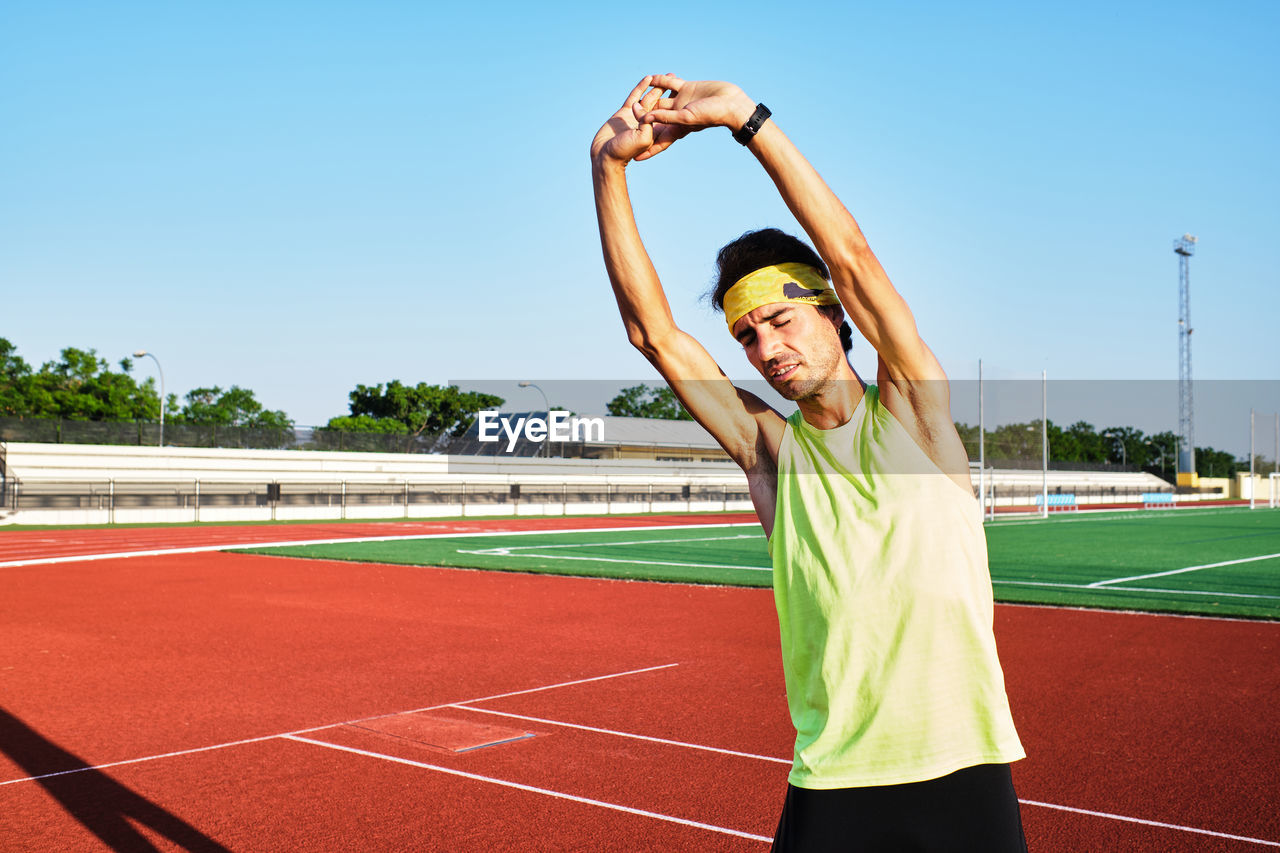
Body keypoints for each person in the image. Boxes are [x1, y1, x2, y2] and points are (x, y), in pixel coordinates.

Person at [591, 75, 1028, 851]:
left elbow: (851, 255)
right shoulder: (773, 453)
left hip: (964, 769)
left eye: (781, 319)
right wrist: (607, 166)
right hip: (832, 780)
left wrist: (744, 120)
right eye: (747, 336)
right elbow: (652, 334)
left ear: (833, 313)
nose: (767, 350)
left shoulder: (913, 415)